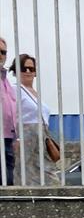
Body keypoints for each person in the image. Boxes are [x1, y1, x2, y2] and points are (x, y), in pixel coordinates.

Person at [10, 53, 57, 185]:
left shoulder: (35, 93)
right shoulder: (15, 89)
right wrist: (17, 139)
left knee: (49, 176)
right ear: (16, 71)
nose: (28, 71)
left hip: (41, 139)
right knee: (24, 176)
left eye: (32, 69)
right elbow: (10, 115)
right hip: (26, 139)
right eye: (24, 68)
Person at [0, 37, 17, 185]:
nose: (1, 55)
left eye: (3, 52)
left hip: (7, 139)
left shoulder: (6, 81)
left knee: (8, 183)